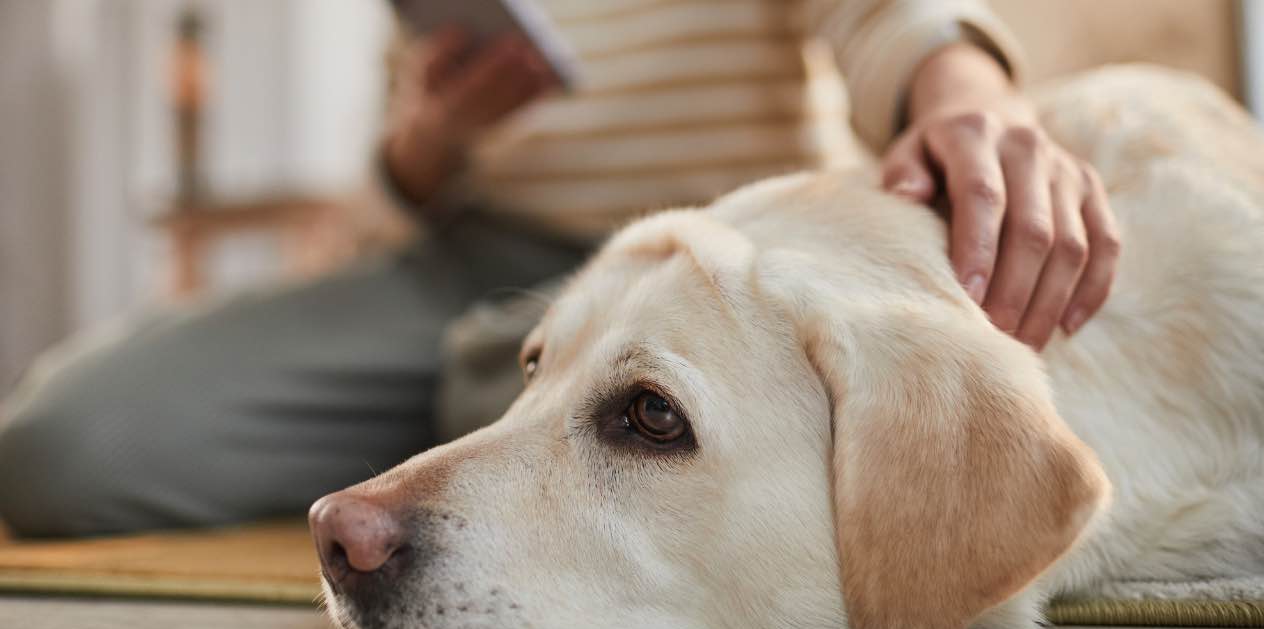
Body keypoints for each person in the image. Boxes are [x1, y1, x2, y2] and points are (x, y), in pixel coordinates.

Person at [0, 0, 1119, 537]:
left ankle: (510, 411)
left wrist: (972, 98)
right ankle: (506, 410)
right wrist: (430, 134)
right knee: (59, 445)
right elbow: (382, 204)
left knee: (520, 371)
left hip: (697, 279)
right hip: (458, 268)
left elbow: (891, 19)